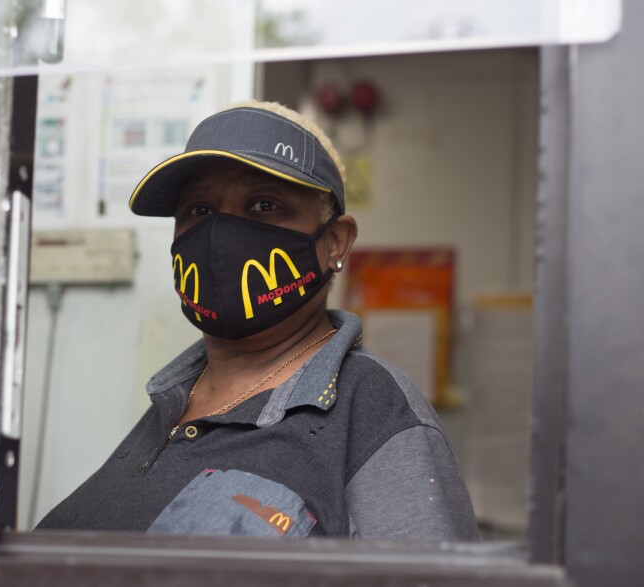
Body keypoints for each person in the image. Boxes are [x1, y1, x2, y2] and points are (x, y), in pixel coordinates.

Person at [36, 100, 478, 540]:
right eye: (199, 210)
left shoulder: (375, 413)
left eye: (264, 205)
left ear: (336, 243)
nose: (220, 237)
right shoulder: (173, 401)